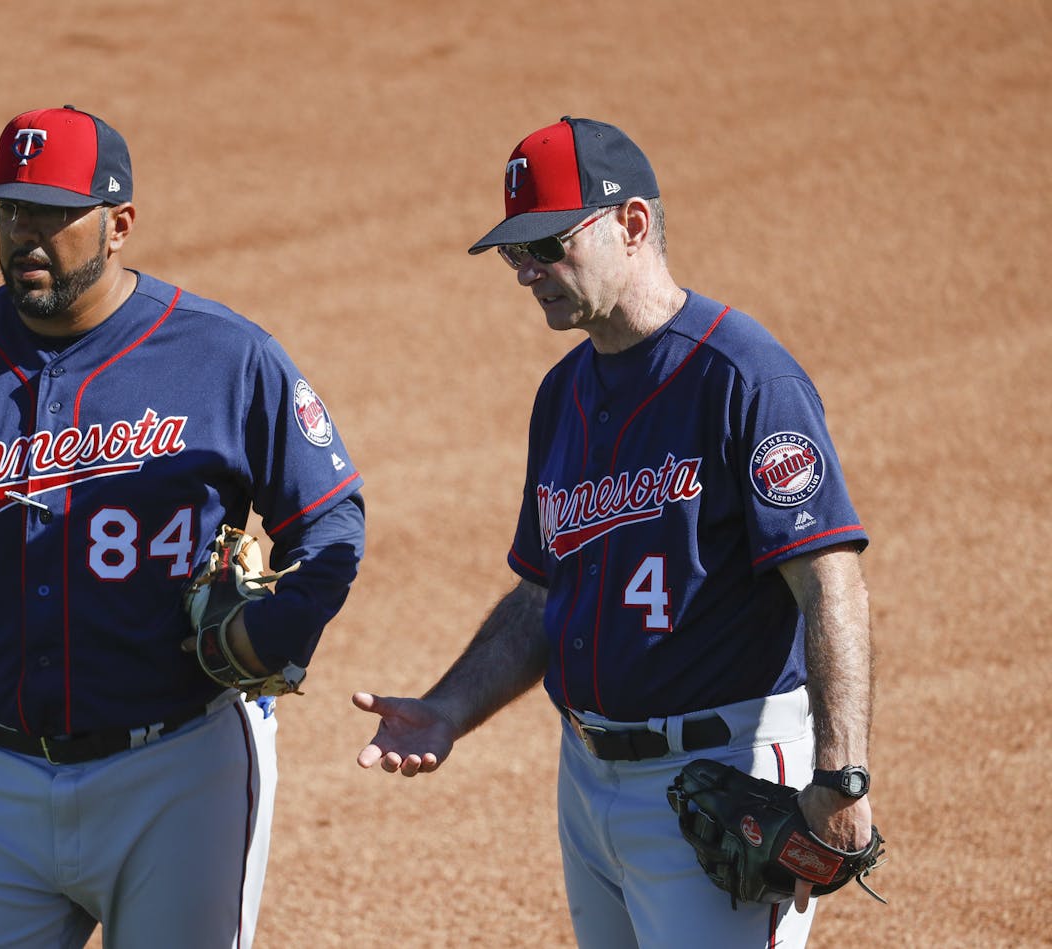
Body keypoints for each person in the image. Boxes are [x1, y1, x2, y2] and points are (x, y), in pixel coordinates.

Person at [0, 104, 365, 949]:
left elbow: (331, 515)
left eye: (54, 215)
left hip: (178, 771)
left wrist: (273, 631)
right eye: (12, 211)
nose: (28, 236)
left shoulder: (223, 357)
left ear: (119, 224)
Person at [353, 116, 874, 948]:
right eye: (514, 254)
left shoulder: (744, 377)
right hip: (587, 785)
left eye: (549, 245)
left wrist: (841, 776)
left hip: (723, 776)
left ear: (632, 225)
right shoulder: (562, 393)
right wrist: (449, 708)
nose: (528, 272)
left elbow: (830, 579)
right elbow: (544, 593)